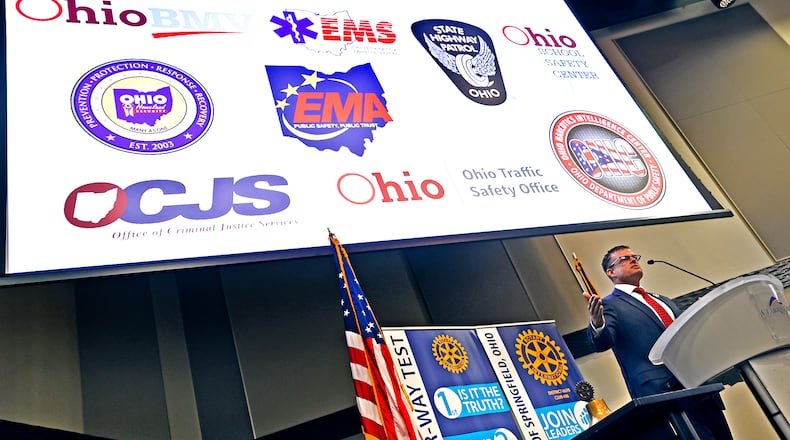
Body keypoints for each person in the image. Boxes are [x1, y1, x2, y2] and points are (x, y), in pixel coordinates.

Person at [586, 245, 732, 439]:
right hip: (666, 395)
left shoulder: (662, 300)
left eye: (634, 256)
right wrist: (597, 323)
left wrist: (701, 319)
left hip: (700, 386)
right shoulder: (610, 304)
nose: (633, 260)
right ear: (611, 272)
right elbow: (602, 342)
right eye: (624, 259)